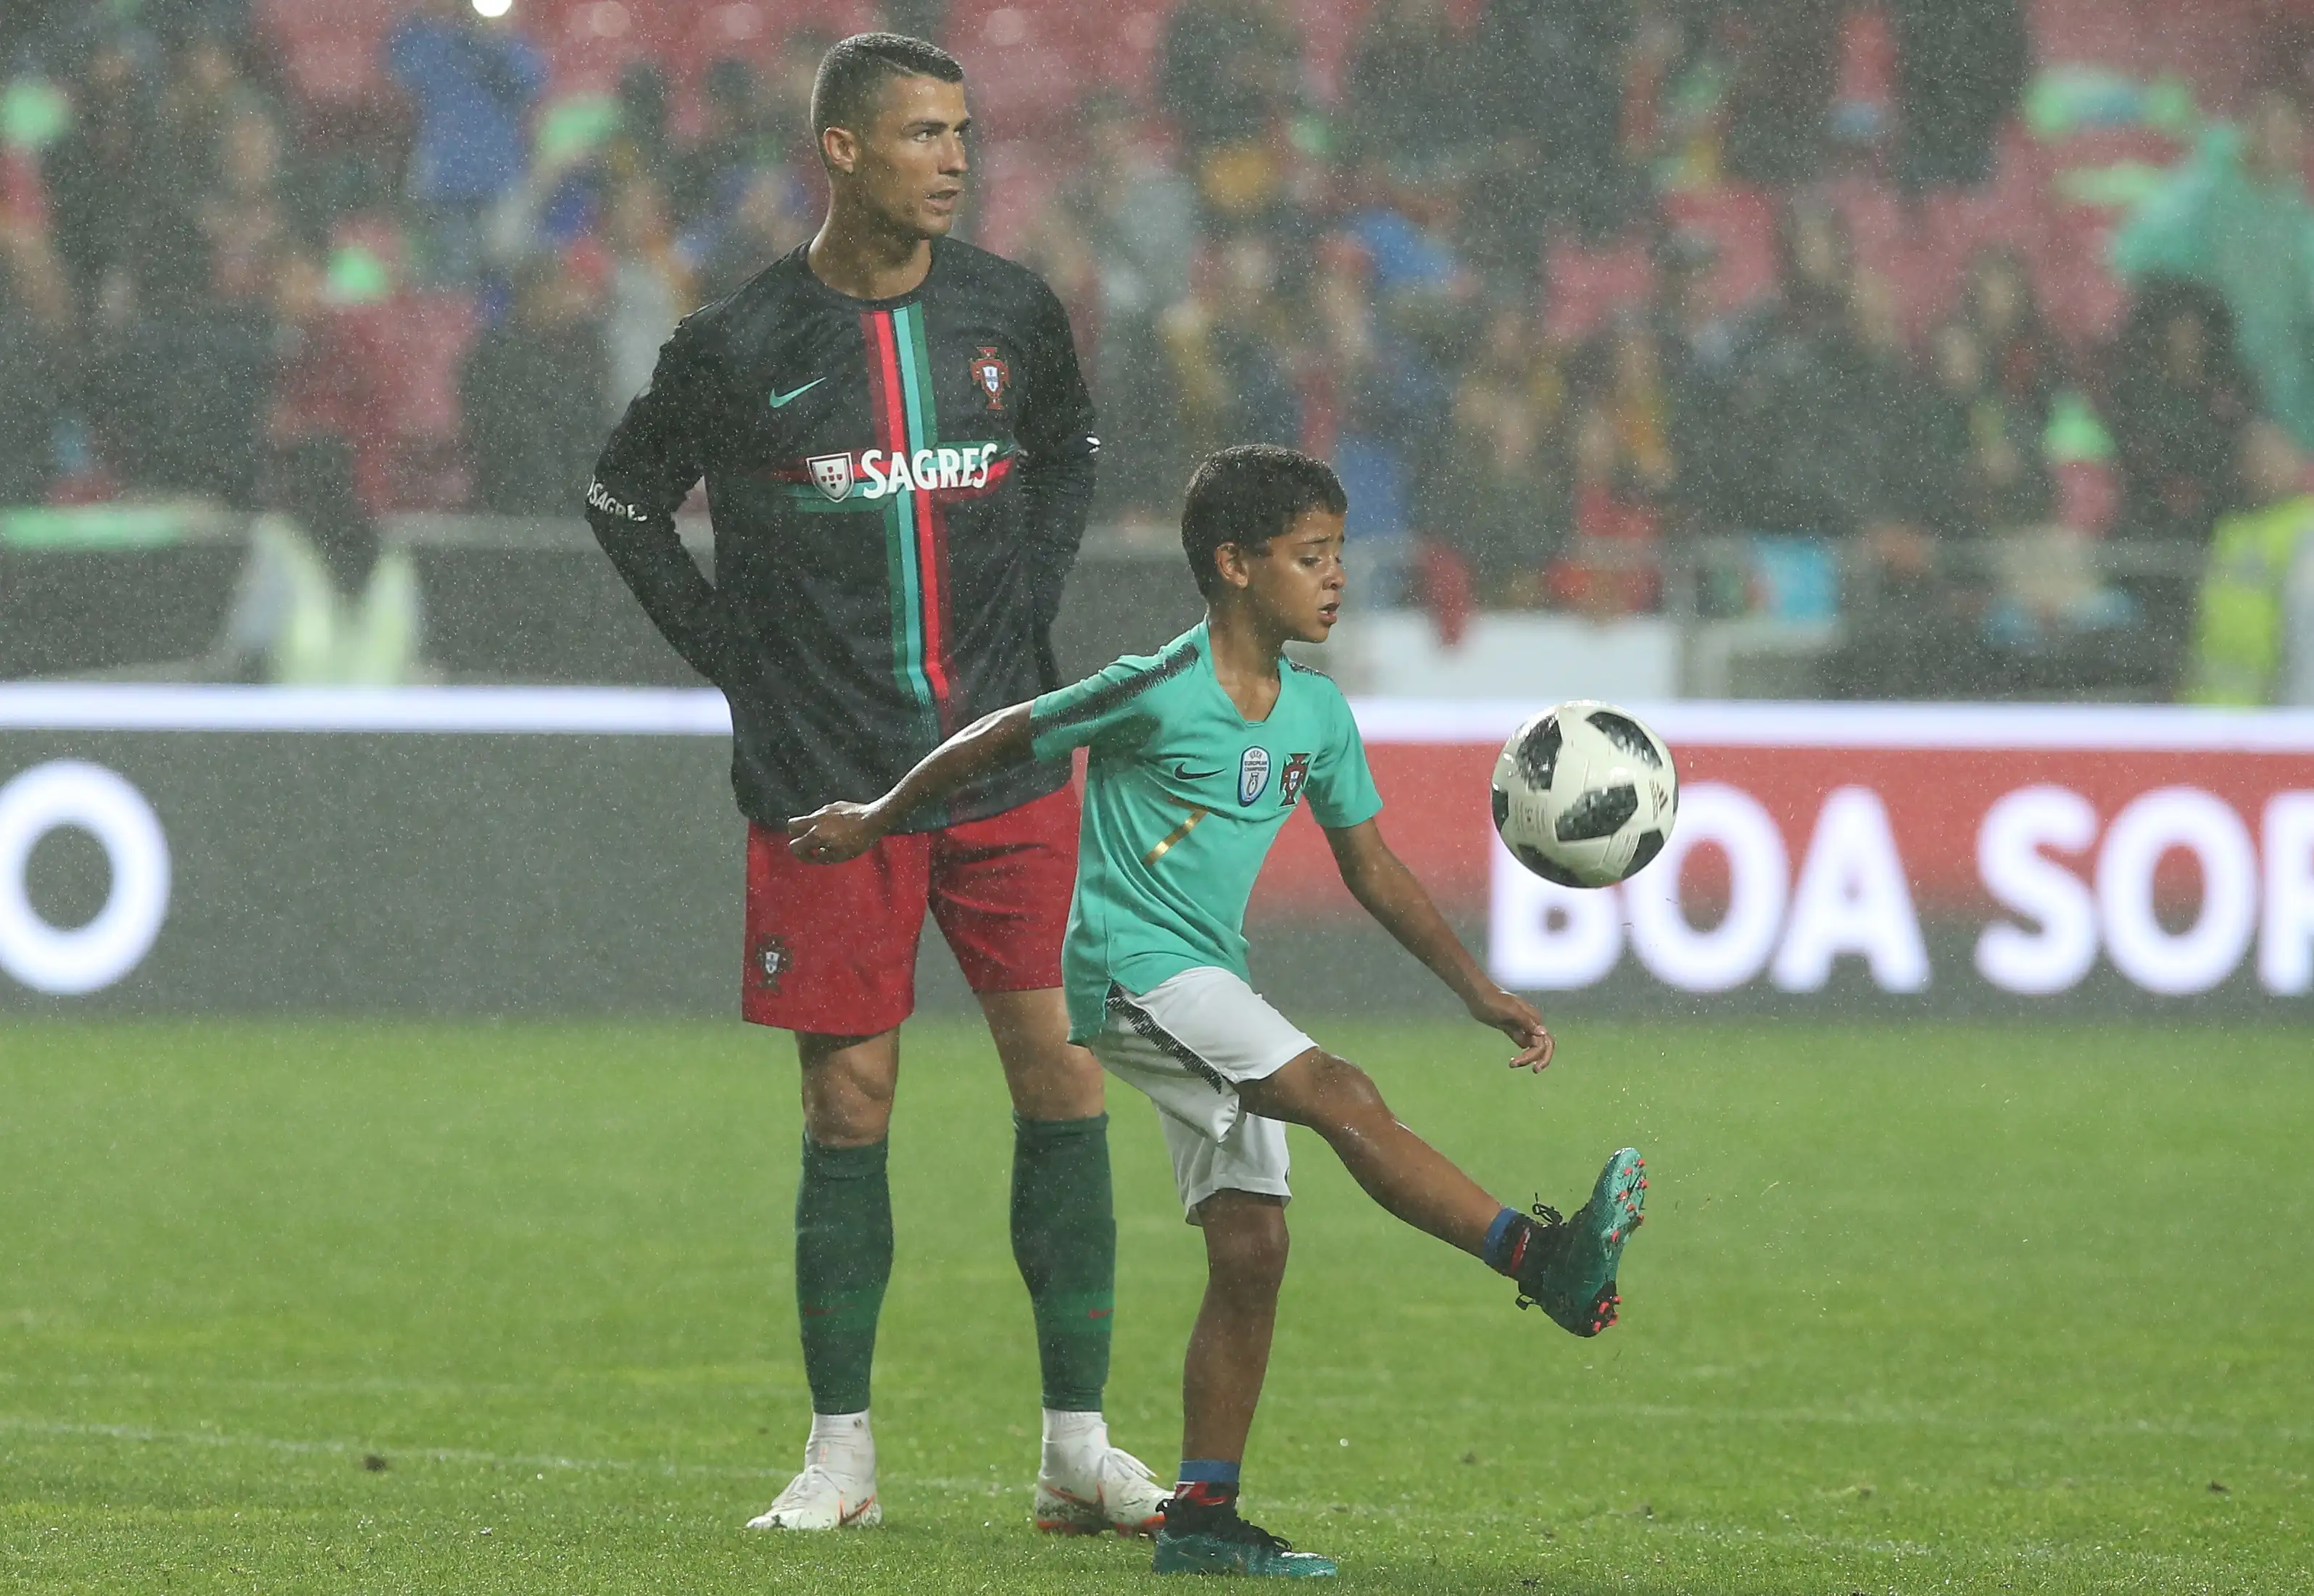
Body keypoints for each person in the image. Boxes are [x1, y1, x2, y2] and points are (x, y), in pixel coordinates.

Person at [789, 445, 1648, 1578]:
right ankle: (1541, 1258)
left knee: (1254, 1246)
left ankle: (1201, 1517)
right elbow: (1005, 732)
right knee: (1340, 1092)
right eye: (1311, 555)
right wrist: (879, 815)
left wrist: (1478, 989)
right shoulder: (1158, 687)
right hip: (1130, 974)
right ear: (1235, 566)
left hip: (1208, 981)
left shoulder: (1318, 716)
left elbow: (1375, 868)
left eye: (1339, 552)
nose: (1336, 576)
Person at [582, 33, 1161, 1538]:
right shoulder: (739, 344)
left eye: (964, 130)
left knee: (1067, 1073)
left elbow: (1073, 451)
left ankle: (1077, 1448)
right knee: (850, 1102)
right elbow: (621, 496)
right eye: (922, 133)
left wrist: (1027, 612)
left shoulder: (1009, 312)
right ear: (841, 151)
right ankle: (842, 1455)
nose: (957, 158)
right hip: (829, 782)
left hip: (1005, 765)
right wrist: (735, 661)